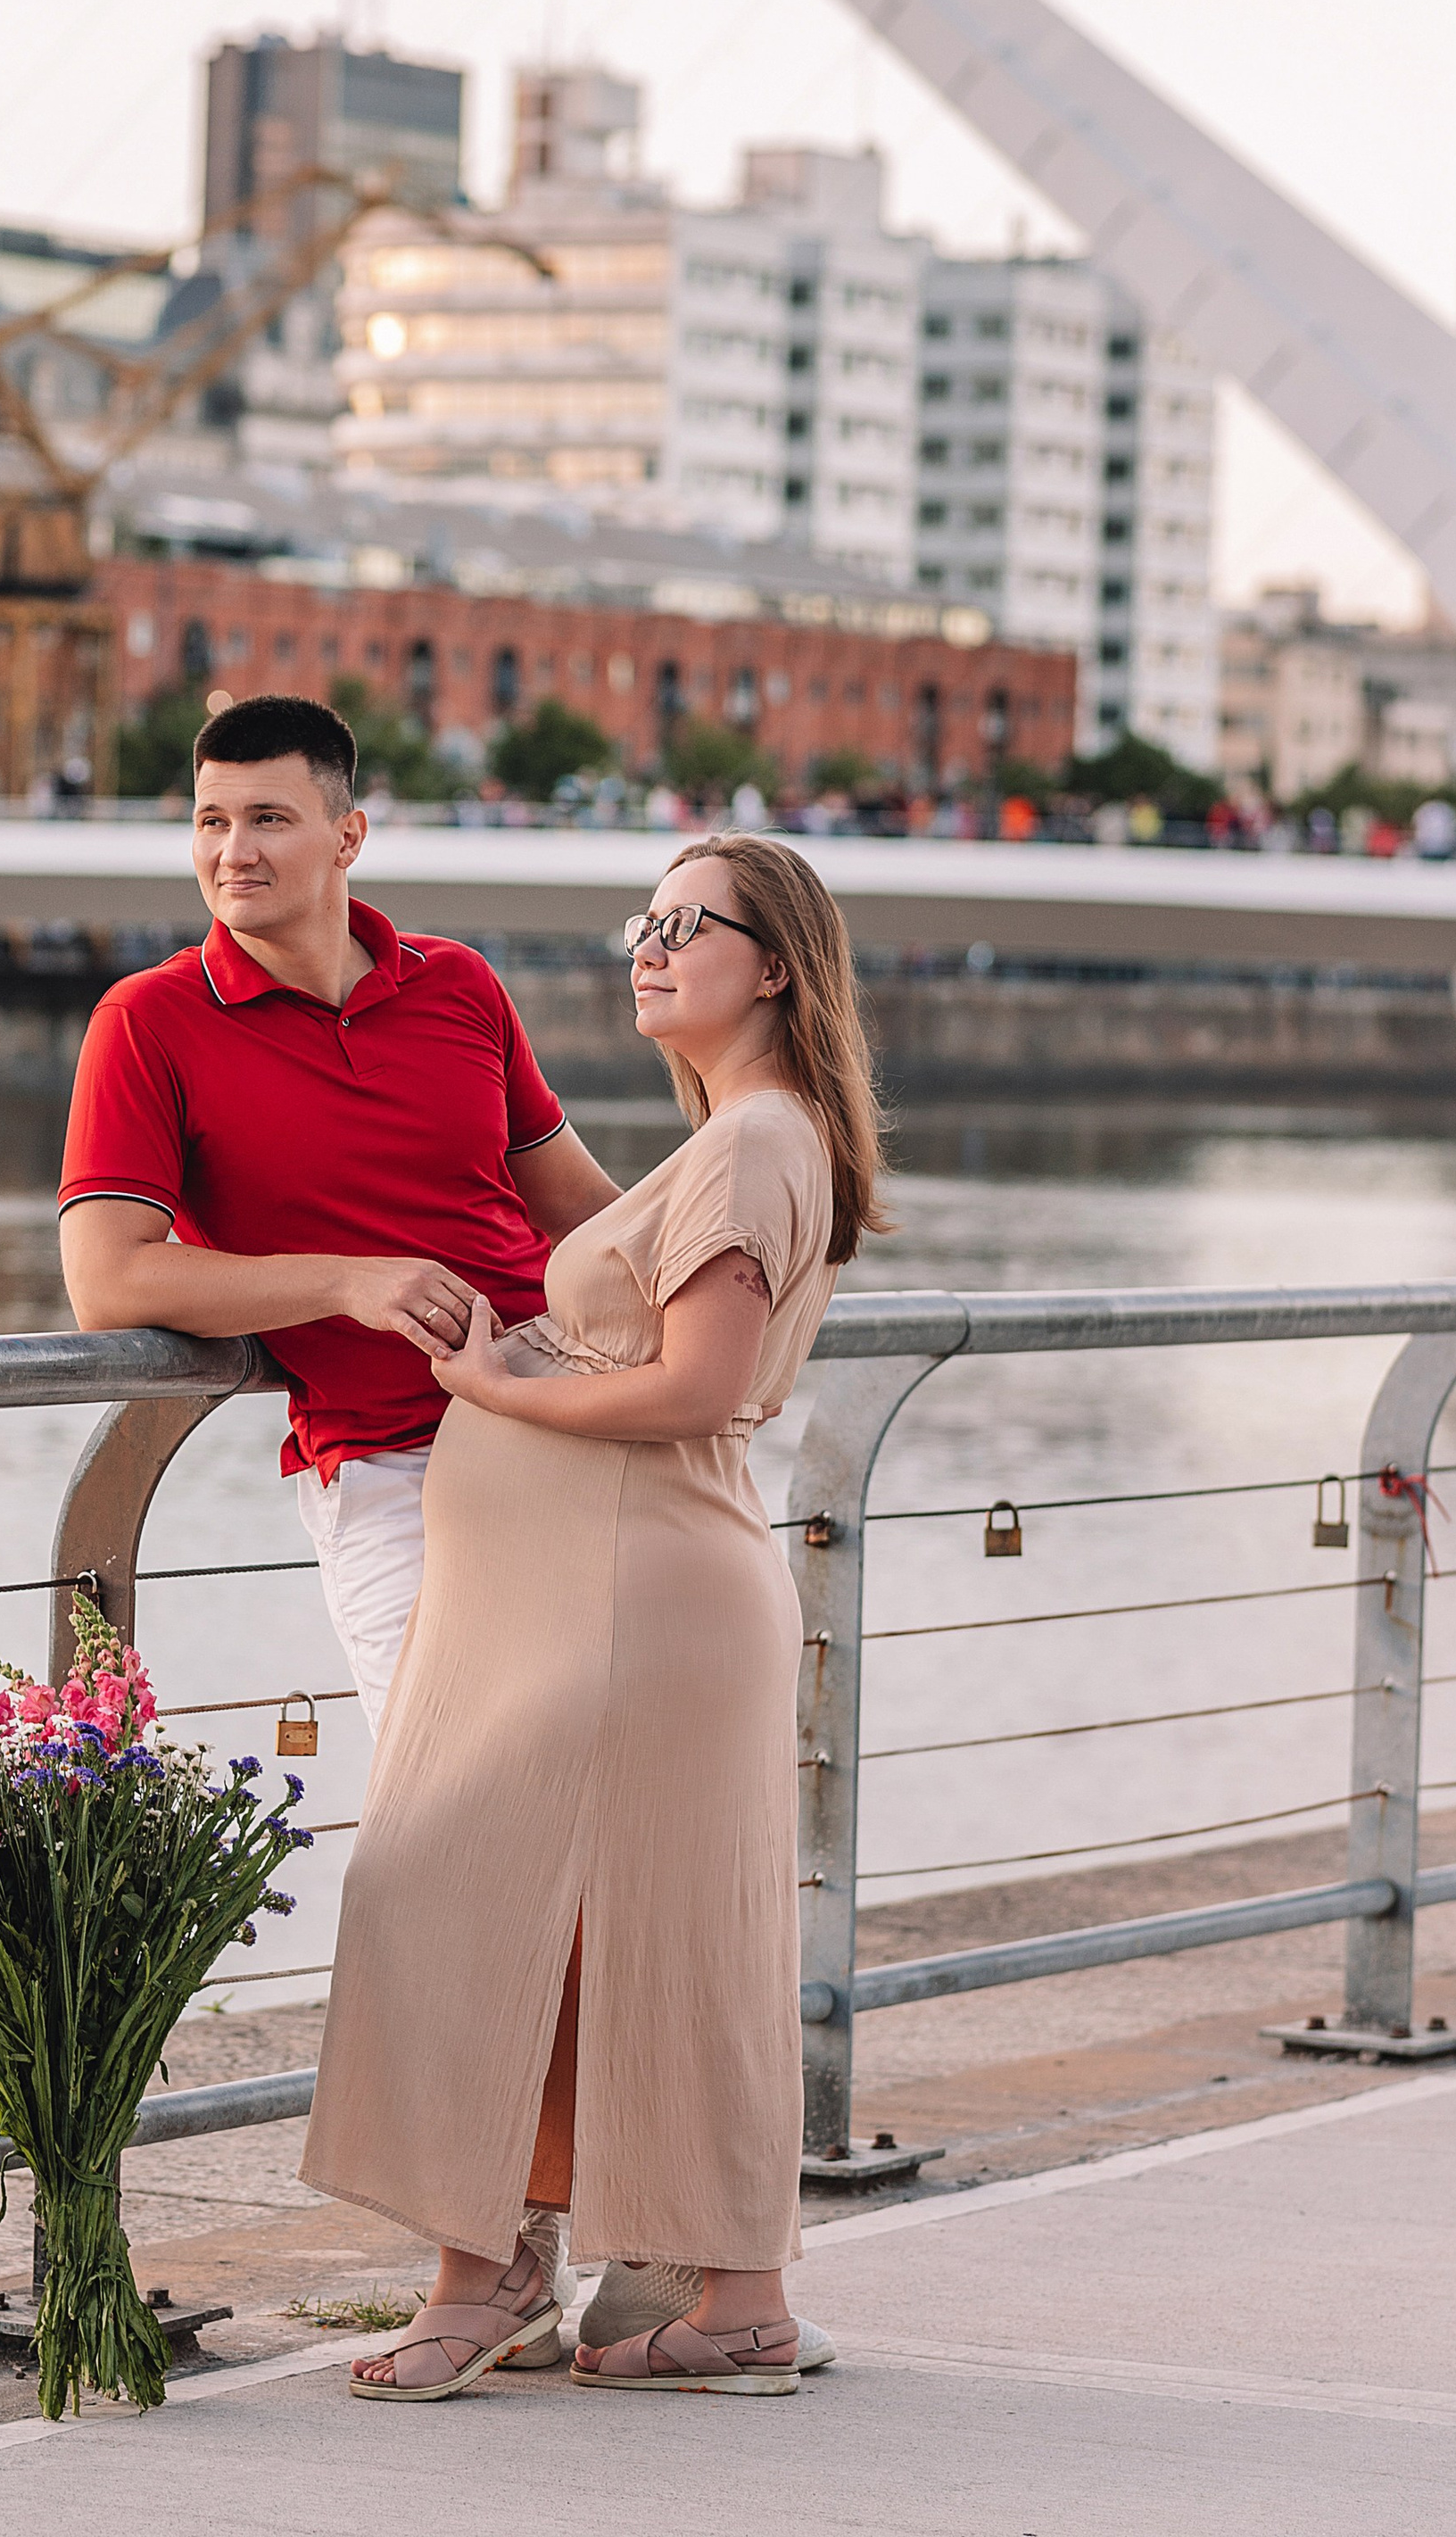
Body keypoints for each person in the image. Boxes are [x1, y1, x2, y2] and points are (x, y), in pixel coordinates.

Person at [302, 833, 885, 2400]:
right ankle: (702, 2295)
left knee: (470, 1901)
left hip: (633, 1601)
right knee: (623, 1942)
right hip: (607, 1596)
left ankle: (498, 2272)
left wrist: (497, 1378)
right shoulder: (731, 1142)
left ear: (772, 966)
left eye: (692, 924)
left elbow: (699, 1386)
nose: (653, 941)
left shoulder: (760, 1142)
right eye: (648, 917)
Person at [58, 691, 619, 1732]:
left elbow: (586, 1211)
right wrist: (351, 1279)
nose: (233, 851)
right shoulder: (147, 1022)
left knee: (608, 1796)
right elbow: (109, 1281)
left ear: (347, 835)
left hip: (575, 1420)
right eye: (210, 820)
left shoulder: (459, 983)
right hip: (390, 1469)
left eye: (268, 818)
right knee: (445, 1803)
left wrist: (748, 1246)